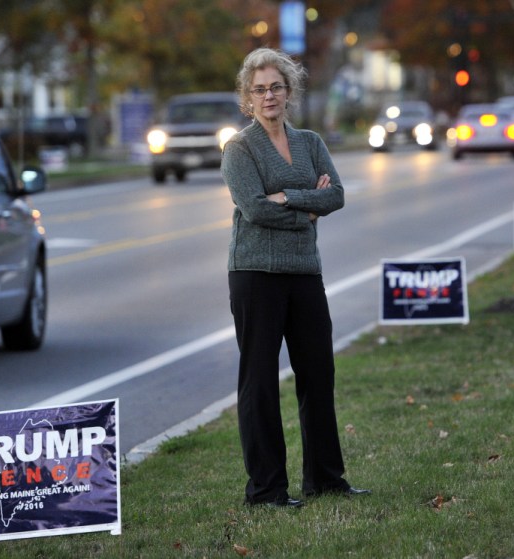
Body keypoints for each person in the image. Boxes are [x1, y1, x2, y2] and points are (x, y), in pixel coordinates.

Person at [221, 48, 369, 508]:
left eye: (276, 87)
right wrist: (307, 208)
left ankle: (325, 478)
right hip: (255, 273)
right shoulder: (239, 149)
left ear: (289, 92)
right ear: (248, 97)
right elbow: (255, 208)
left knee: (318, 374)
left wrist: (290, 198)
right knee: (260, 382)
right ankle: (266, 489)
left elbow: (339, 195)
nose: (268, 96)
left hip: (305, 271)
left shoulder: (310, 142)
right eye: (259, 89)